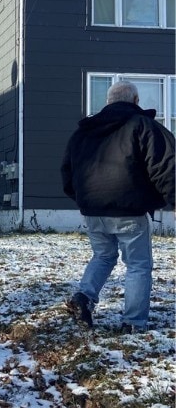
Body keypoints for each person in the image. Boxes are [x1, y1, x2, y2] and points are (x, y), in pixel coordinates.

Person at [61, 80, 175, 333]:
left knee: (103, 256)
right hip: (129, 210)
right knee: (138, 265)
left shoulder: (84, 131)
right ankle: (133, 323)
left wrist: (84, 199)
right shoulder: (142, 125)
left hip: (93, 210)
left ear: (108, 102)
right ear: (135, 101)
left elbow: (68, 171)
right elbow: (165, 165)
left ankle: (84, 297)